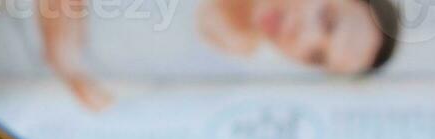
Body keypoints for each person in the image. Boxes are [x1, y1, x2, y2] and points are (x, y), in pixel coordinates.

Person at [38, 0, 401, 109]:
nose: (301, 38)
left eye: (315, 57)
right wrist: (64, 57)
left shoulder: (224, 80)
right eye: (326, 19)